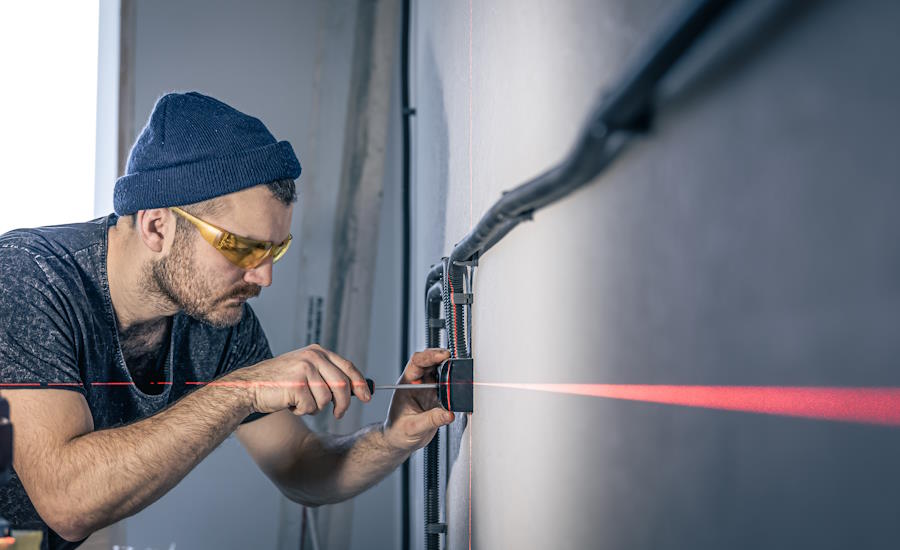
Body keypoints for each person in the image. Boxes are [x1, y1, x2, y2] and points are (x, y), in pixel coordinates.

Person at [0, 91, 454, 549]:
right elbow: (67, 502)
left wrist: (391, 438)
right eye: (241, 247)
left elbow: (299, 465)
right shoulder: (29, 277)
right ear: (157, 226)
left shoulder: (219, 321)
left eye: (275, 249)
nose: (264, 276)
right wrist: (241, 390)